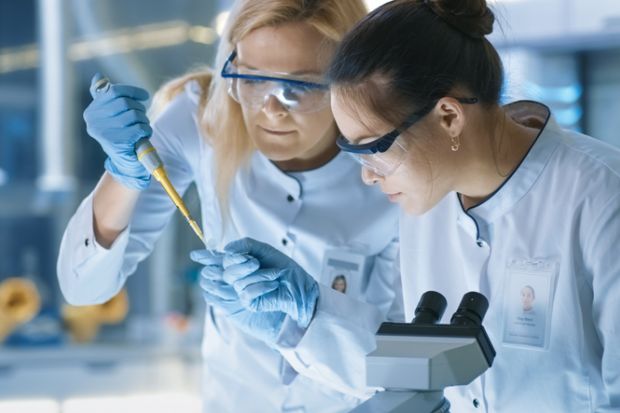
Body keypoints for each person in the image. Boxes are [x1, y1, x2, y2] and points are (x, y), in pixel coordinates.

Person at [220, 0, 620, 411]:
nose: (367, 175)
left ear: (448, 116)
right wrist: (305, 319)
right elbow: (409, 368)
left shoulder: (602, 196)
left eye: (374, 148)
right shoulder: (425, 208)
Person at [56, 1, 403, 412]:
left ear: (352, 82)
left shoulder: (394, 165)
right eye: (253, 79)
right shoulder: (204, 116)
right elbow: (83, 288)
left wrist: (307, 319)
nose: (271, 109)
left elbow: (405, 353)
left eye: (302, 85)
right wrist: (123, 173)